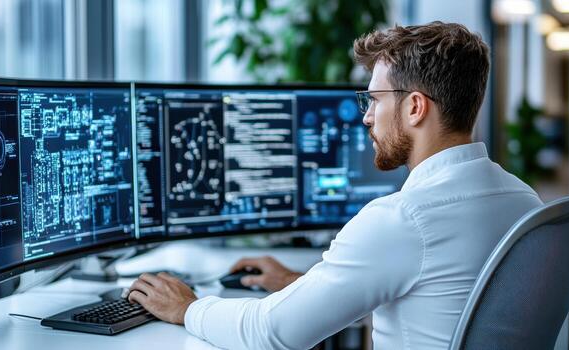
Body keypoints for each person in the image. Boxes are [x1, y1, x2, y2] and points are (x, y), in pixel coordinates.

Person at [127, 21, 543, 349]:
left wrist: (188, 307)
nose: (365, 117)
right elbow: (440, 302)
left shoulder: (402, 219)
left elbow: (271, 333)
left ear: (415, 107)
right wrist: (300, 286)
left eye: (375, 100)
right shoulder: (524, 201)